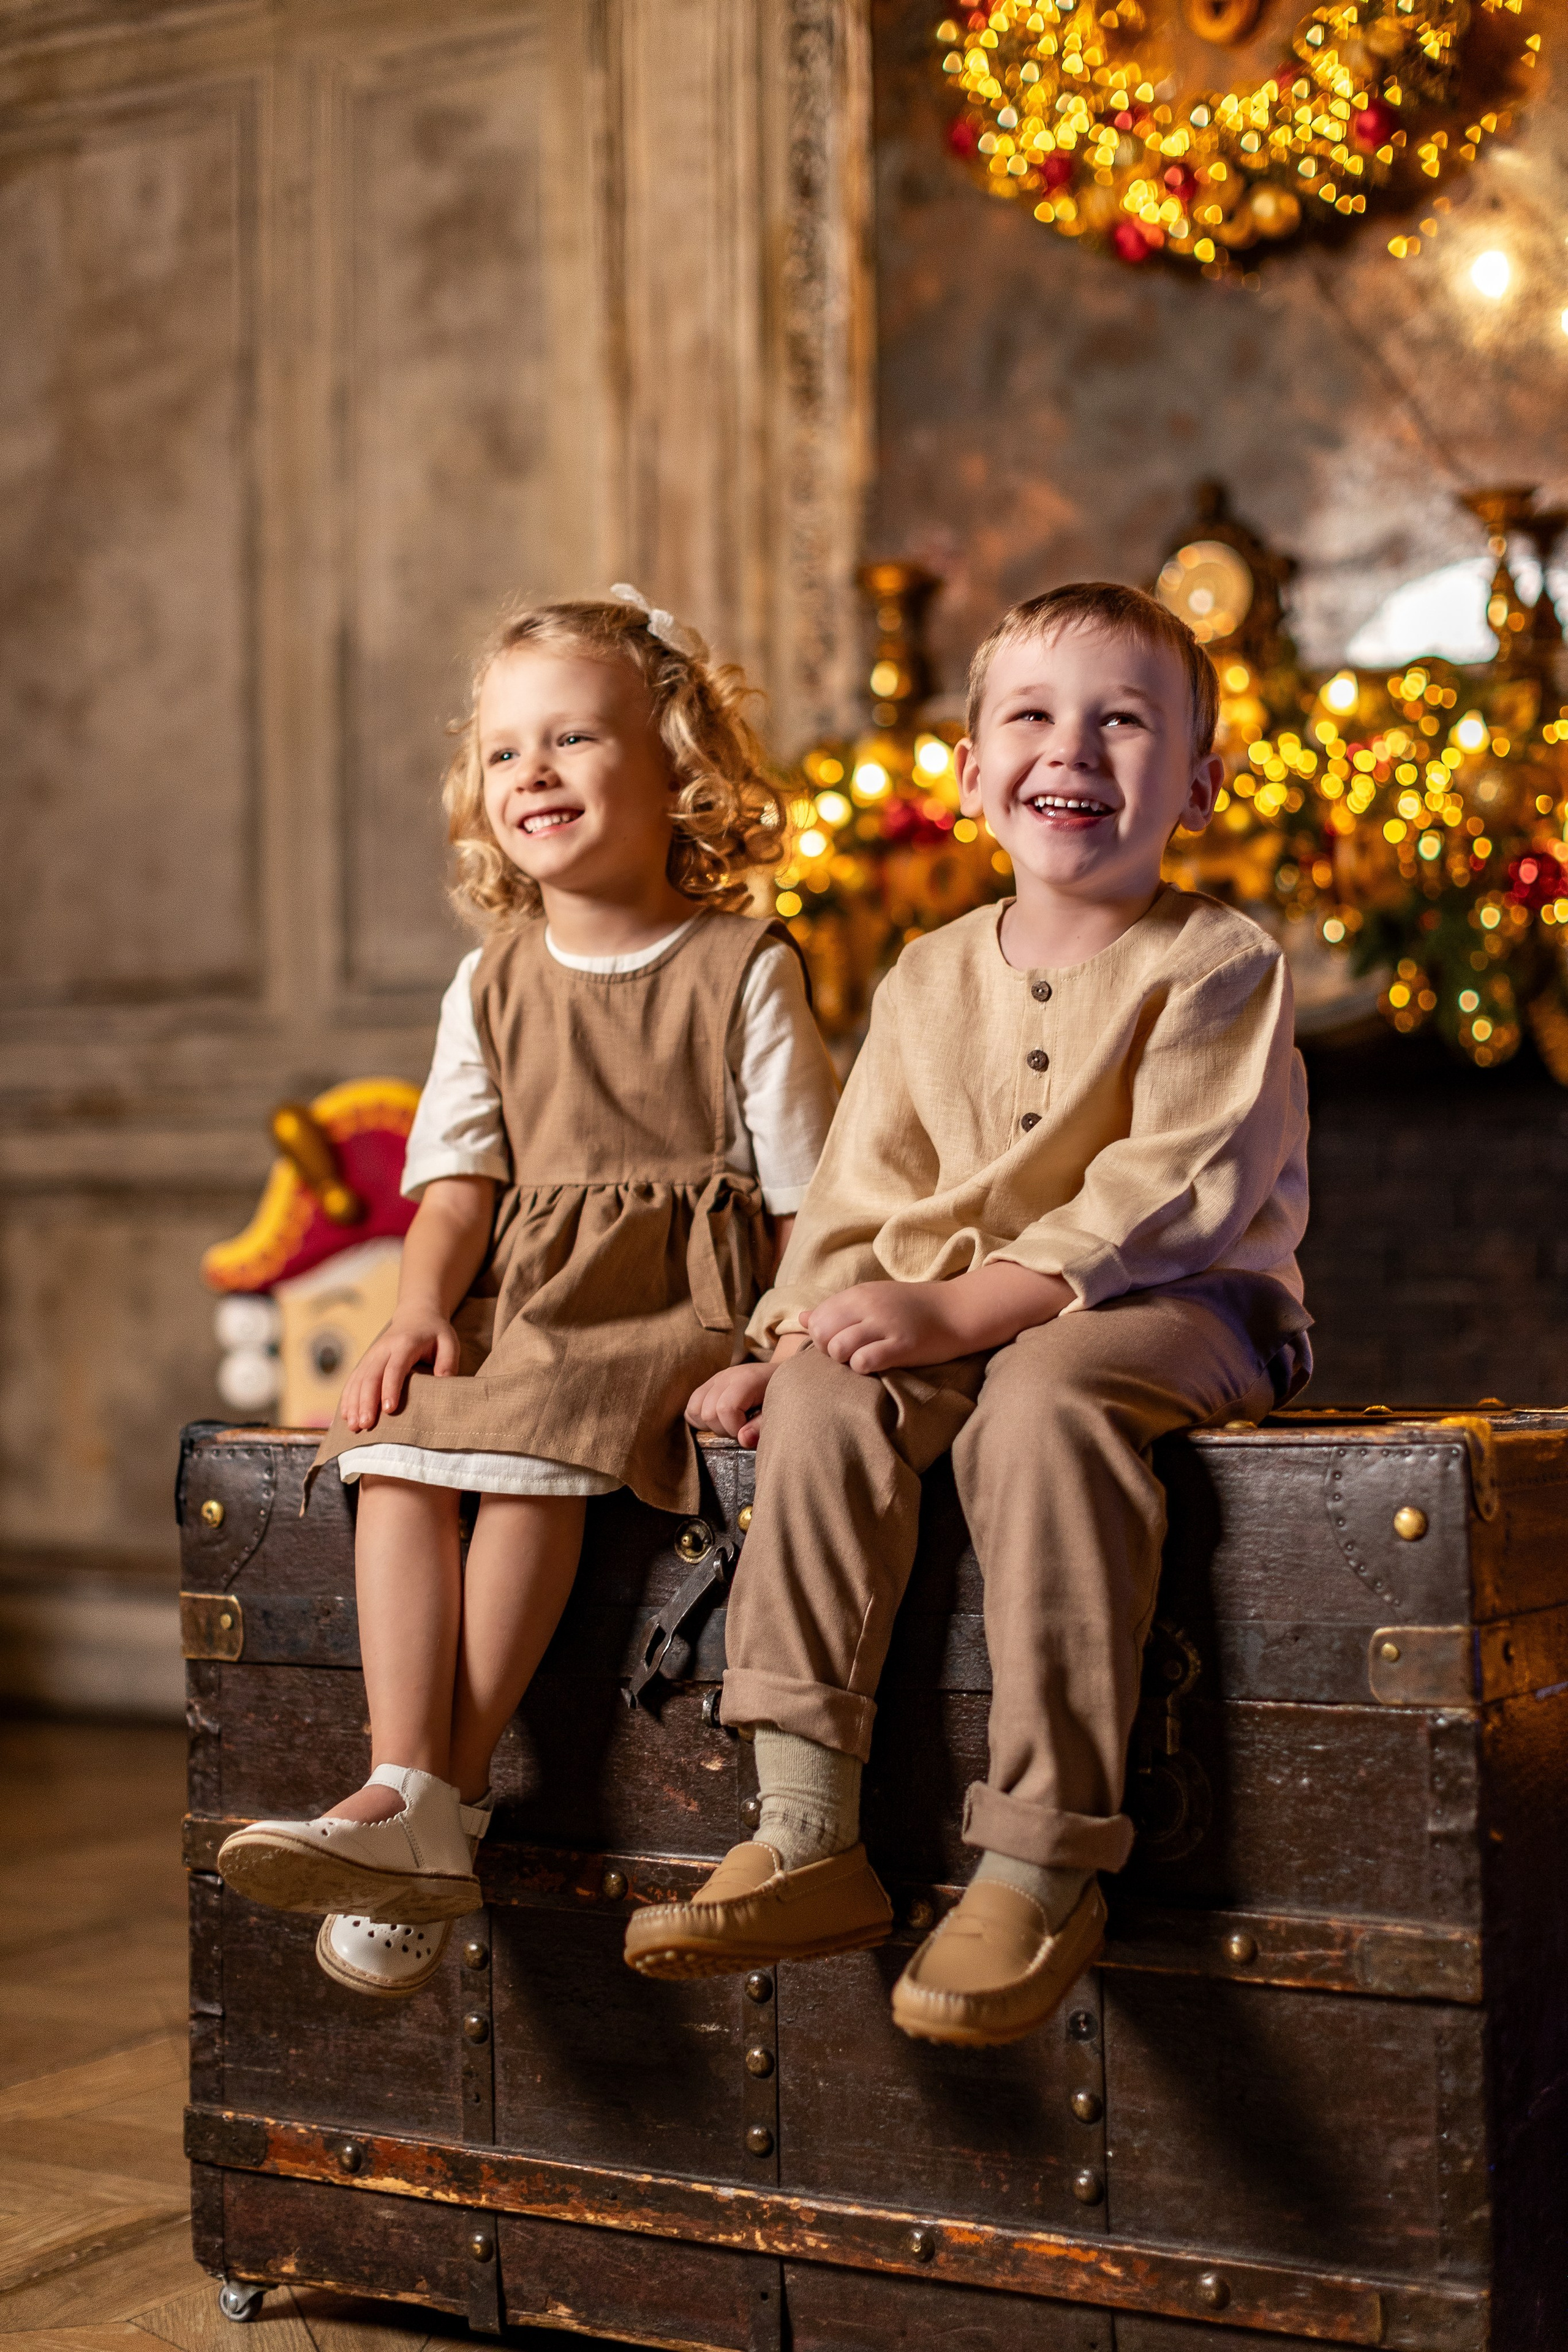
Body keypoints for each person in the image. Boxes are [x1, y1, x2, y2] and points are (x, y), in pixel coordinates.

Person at [626, 581, 1311, 2046]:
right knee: (825, 1396)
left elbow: (1172, 1190)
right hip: (954, 1306)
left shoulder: (1216, 963)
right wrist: (786, 1341)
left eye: (1124, 721)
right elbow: (862, 1195)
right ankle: (806, 1824)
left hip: (1184, 1309)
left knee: (1045, 1402)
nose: (1074, 748)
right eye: (1033, 716)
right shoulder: (928, 976)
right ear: (970, 771)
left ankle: (1040, 1856)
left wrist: (968, 1310)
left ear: (1197, 781)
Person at [217, 588, 840, 1997]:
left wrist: (778, 1346)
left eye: (572, 739)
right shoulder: (489, 983)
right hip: (521, 1297)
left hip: (670, 1308)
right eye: (505, 752)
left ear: (677, 767)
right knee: (393, 1451)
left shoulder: (741, 969)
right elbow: (455, 1186)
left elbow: (817, 1202)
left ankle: (429, 1802)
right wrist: (417, 1313)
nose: (532, 774)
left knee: (528, 1459)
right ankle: (404, 1788)